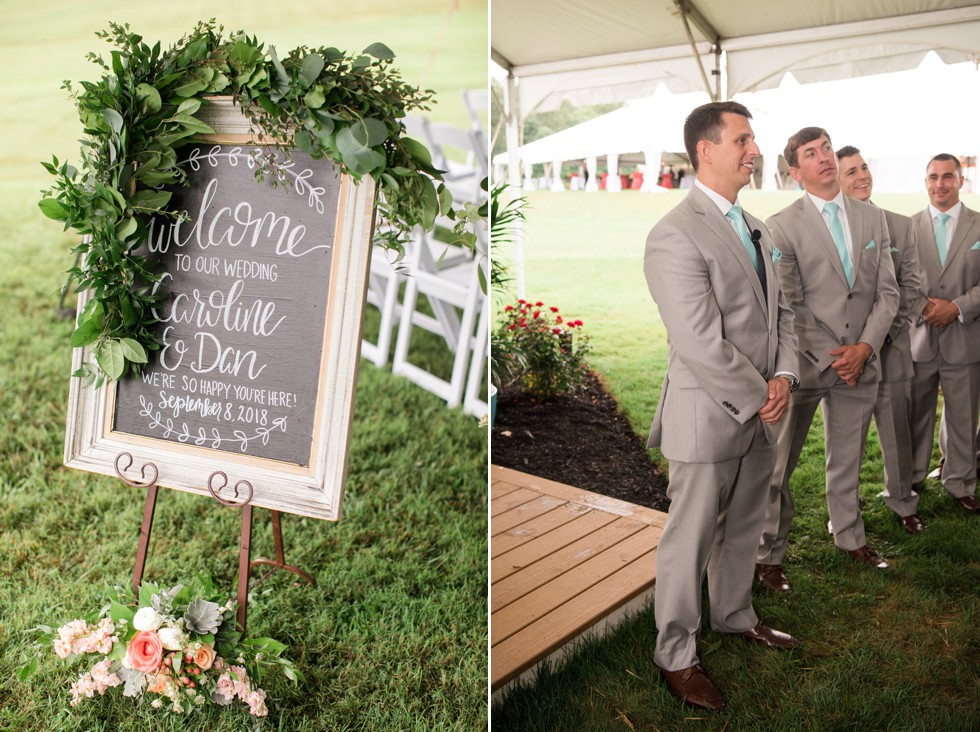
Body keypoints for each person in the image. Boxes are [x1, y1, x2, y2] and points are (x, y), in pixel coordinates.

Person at [644, 101, 801, 711]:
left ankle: (735, 614)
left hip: (764, 407)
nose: (754, 151)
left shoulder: (757, 226)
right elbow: (699, 340)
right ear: (705, 150)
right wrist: (761, 392)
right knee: (689, 539)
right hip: (708, 413)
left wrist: (785, 373)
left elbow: (782, 313)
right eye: (742, 140)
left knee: (743, 526)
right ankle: (676, 654)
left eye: (753, 140)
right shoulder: (673, 234)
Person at [755, 127, 899, 593]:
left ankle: (849, 536)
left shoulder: (871, 218)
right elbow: (790, 305)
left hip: (861, 360)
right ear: (795, 172)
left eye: (826, 150)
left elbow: (888, 293)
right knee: (779, 466)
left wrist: (865, 349)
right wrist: (835, 355)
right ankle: (767, 554)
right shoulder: (782, 224)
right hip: (803, 364)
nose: (823, 159)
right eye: (810, 155)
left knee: (849, 457)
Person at [836, 146, 927, 533]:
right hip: (841, 355)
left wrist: (878, 336)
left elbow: (911, 287)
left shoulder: (900, 225)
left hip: (890, 349)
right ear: (834, 180)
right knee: (844, 442)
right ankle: (843, 510)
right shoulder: (830, 228)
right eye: (851, 171)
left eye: (864, 167)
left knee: (895, 431)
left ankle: (903, 501)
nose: (861, 176)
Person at [908, 154, 980, 513]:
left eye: (948, 177)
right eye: (933, 177)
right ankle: (913, 477)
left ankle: (960, 481)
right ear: (925, 183)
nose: (940, 184)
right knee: (915, 413)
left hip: (965, 337)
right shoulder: (908, 227)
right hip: (919, 340)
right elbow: (897, 279)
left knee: (963, 415)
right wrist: (924, 305)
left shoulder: (978, 225)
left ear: (960, 181)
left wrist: (959, 306)